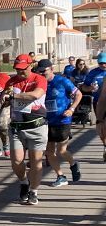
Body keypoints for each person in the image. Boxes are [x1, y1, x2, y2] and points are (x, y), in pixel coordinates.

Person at [3, 54, 48, 205]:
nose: (20, 72)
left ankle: (34, 191)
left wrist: (15, 96)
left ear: (31, 65)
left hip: (37, 125)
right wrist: (3, 97)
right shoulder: (11, 81)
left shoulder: (38, 79)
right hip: (17, 126)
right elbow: (4, 97)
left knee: (36, 161)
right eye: (17, 69)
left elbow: (36, 95)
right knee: (16, 160)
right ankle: (24, 182)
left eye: (23, 69)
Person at [36, 59, 83, 187]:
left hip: (63, 119)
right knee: (49, 152)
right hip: (46, 120)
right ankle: (60, 176)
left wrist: (71, 109)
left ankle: (73, 163)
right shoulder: (39, 83)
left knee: (62, 151)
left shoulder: (62, 81)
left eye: (44, 71)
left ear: (51, 69)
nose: (41, 74)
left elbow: (78, 94)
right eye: (39, 71)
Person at [80, 51, 106, 162]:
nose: (103, 65)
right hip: (98, 103)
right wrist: (89, 89)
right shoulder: (93, 73)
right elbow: (83, 87)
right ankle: (105, 144)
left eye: (105, 63)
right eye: (101, 63)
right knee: (101, 127)